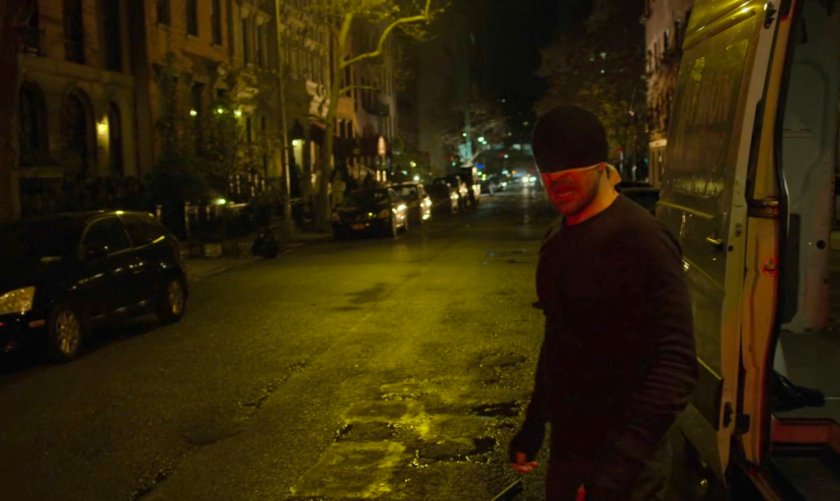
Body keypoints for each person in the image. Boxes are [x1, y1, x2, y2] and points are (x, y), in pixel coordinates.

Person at [508, 105, 697, 500]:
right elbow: (559, 338)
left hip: (630, 459)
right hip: (570, 446)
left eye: (569, 167)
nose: (556, 179)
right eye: (548, 171)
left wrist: (617, 472)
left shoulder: (642, 239)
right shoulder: (557, 242)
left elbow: (676, 362)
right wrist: (534, 422)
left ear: (599, 165)